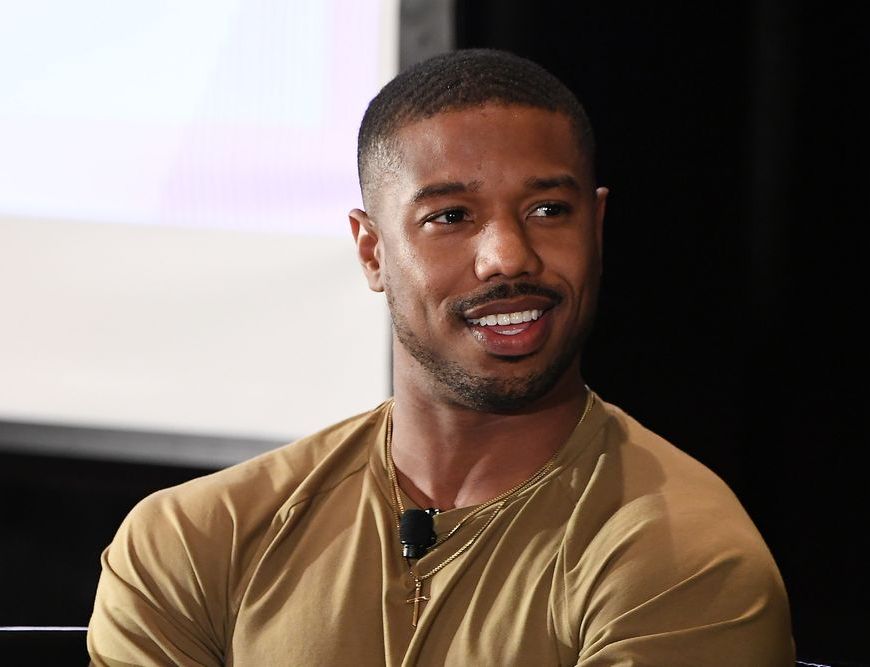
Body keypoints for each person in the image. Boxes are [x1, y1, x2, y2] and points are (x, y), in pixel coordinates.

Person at [88, 49, 794, 666]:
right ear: (373, 251)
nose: (508, 256)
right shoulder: (192, 542)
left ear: (598, 228)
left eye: (549, 210)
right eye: (450, 217)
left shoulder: (687, 555)